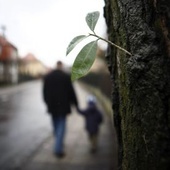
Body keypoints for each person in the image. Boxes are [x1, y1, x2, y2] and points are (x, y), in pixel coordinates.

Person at [42, 61, 78, 158]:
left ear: (55, 66)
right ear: (61, 66)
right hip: (63, 106)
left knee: (55, 125)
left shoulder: (48, 77)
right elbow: (71, 92)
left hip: (52, 106)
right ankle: (58, 149)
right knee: (61, 126)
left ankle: (58, 143)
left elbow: (44, 92)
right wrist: (76, 104)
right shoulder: (66, 77)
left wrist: (47, 102)